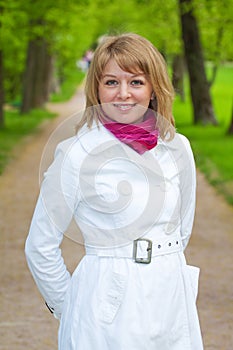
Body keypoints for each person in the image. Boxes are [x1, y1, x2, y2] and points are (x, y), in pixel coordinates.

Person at [25, 33, 203, 349]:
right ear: (96, 88)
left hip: (170, 299)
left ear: (153, 89)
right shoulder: (75, 154)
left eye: (136, 82)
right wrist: (72, 307)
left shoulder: (177, 147)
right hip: (104, 305)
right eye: (111, 82)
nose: (123, 94)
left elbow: (181, 228)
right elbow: (40, 246)